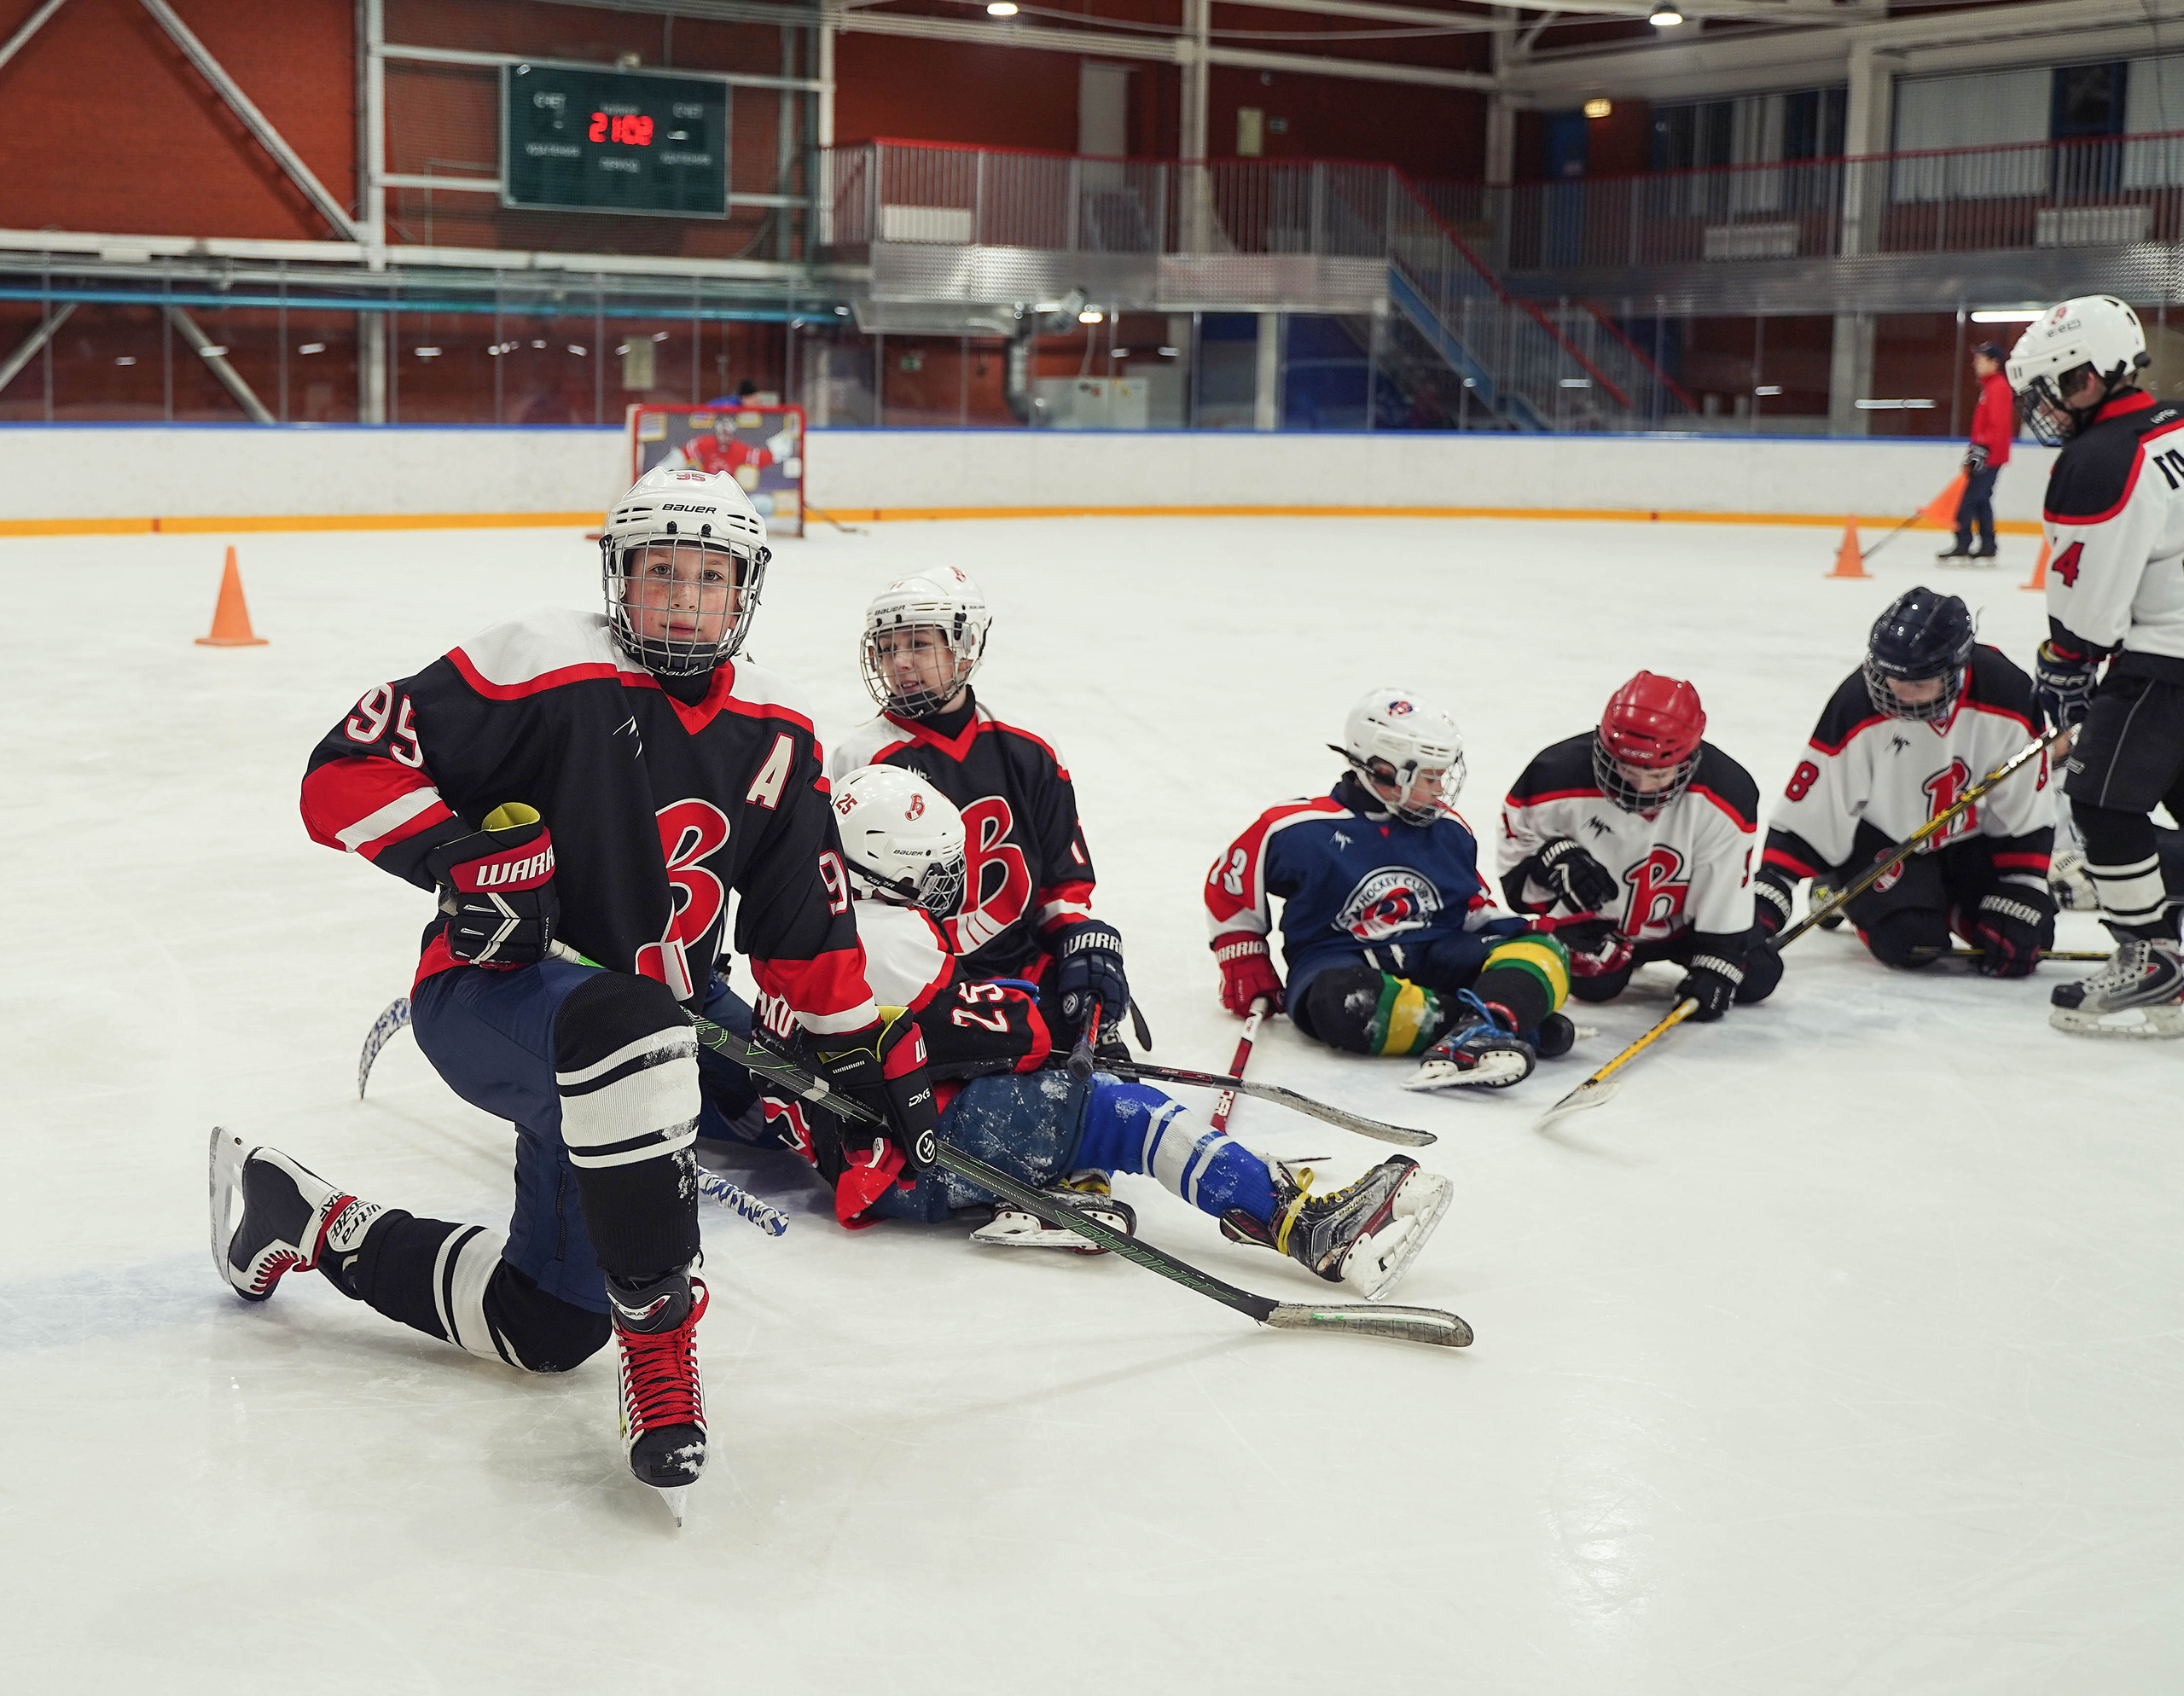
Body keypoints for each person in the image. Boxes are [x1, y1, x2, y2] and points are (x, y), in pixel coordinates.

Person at [209, 466, 937, 1520]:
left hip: (634, 1062)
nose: (683, 599)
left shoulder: (779, 733)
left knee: (545, 1324)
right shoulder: (543, 660)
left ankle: (307, 1217)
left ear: (745, 590)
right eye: (659, 574)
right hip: (491, 1000)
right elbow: (344, 770)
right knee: (635, 1029)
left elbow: (805, 929)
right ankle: (664, 1352)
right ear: (618, 576)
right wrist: (460, 858)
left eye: (708, 577)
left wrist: (860, 1063)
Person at [706, 766, 1452, 1300]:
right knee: (1123, 1112)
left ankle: (1055, 1185)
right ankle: (1309, 1229)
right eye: (934, 868)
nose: (946, 882)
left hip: (867, 1139)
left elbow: (927, 1029)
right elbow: (988, 1031)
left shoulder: (813, 915)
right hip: (906, 1161)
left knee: (1078, 1093)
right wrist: (1064, 1015)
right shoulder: (889, 939)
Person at [1205, 688, 1574, 1091]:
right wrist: (1245, 960)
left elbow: (1470, 908)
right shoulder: (1296, 828)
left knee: (1544, 950)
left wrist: (1525, 932)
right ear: (1383, 769)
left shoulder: (1450, 830)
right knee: (1337, 1003)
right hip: (1342, 961)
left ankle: (1482, 1024)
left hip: (1437, 956)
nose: (1439, 790)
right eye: (1429, 777)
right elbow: (1229, 886)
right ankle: (1496, 1022)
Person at [831, 566, 1130, 1054]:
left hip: (1027, 971)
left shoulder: (1027, 748)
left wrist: (1081, 938)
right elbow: (858, 901)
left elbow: (1062, 880)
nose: (899, 662)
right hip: (927, 983)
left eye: (919, 644)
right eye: (887, 648)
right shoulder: (862, 760)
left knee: (1103, 1099)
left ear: (964, 645)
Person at [2007, 293, 2184, 1036]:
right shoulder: (2174, 421)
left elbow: (2090, 606)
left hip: (2164, 660)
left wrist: (2067, 665)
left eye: (2053, 387)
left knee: (2104, 804)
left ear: (2091, 376)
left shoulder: (2099, 459)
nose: (2043, 408)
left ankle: (2152, 961)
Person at [1754, 587, 2057, 977]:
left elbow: (2024, 805)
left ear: (1956, 669)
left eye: (1917, 684)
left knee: (2021, 938)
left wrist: (2022, 883)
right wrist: (1764, 905)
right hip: (1883, 842)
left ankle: (1945, 901)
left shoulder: (2008, 693)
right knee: (1911, 943)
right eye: (1889, 677)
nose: (1895, 692)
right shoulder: (1856, 702)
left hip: (1968, 842)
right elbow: (1815, 807)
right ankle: (1834, 882)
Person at [1499, 672, 1778, 1022]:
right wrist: (1551, 859)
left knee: (1759, 977)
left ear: (1690, 757)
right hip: (1599, 926)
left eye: (1658, 774)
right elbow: (1516, 882)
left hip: (1683, 928)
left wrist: (1718, 959)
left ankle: (1765, 908)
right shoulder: (1552, 777)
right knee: (1594, 988)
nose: (1641, 787)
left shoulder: (1728, 794)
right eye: (1627, 767)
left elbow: (1722, 885)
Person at [1941, 341, 2014, 562]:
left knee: (1969, 500)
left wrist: (1981, 450)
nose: (1975, 364)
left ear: (1994, 362)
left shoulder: (1998, 388)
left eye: (1980, 359)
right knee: (1982, 500)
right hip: (1987, 453)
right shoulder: (1990, 387)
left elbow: (1997, 425)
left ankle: (1963, 543)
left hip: (1990, 455)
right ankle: (1988, 545)